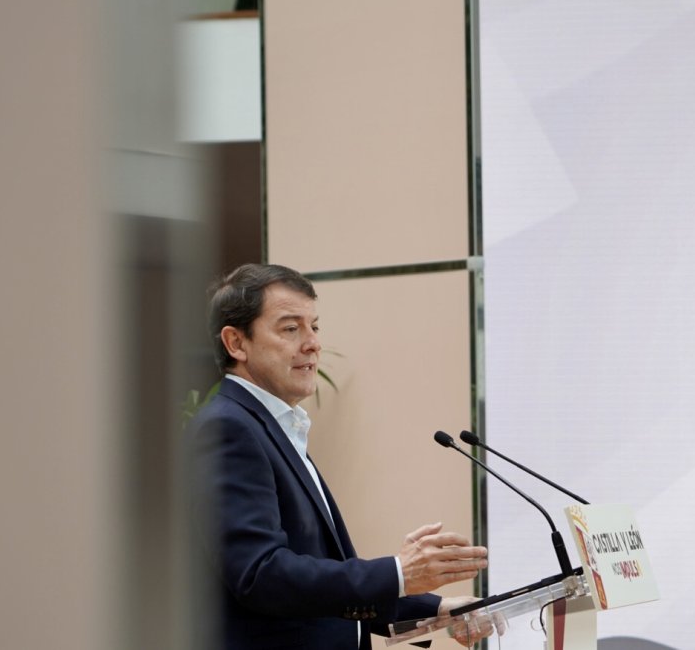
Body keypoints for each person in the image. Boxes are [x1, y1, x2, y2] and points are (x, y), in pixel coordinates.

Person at [188, 263, 489, 649]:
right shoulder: (227, 429)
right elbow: (261, 575)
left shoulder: (271, 425)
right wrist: (398, 572)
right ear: (236, 343)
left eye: (314, 326)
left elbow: (318, 583)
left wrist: (437, 608)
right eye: (290, 328)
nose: (312, 343)